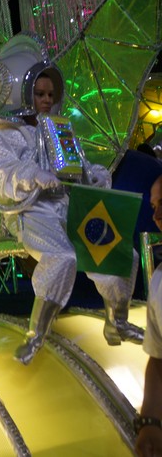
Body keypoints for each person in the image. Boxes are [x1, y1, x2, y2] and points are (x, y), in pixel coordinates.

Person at [0, 32, 144, 365]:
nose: (45, 100)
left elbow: (78, 166)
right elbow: (4, 172)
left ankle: (117, 321)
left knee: (120, 253)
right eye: (39, 93)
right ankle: (36, 334)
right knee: (62, 257)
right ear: (20, 94)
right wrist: (33, 176)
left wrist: (94, 175)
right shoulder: (6, 137)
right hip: (31, 211)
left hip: (69, 206)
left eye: (50, 94)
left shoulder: (58, 130)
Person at [137, 175, 162, 456]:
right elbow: (158, 359)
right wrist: (150, 424)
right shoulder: (159, 279)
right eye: (154, 206)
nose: (156, 216)